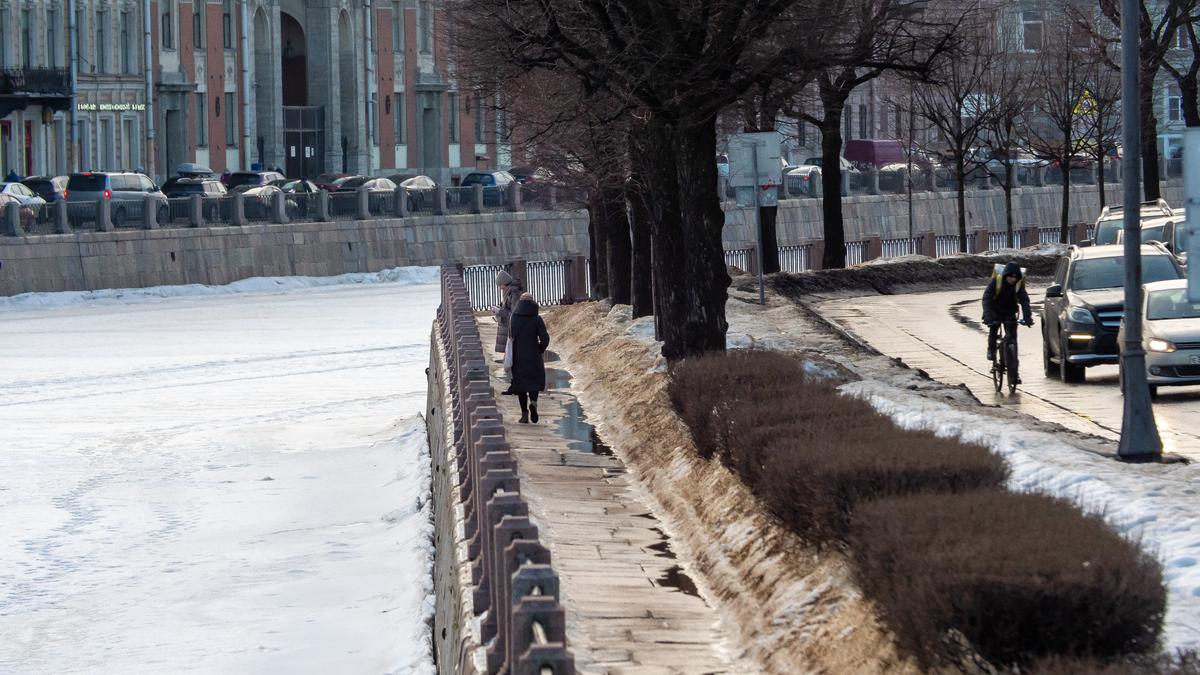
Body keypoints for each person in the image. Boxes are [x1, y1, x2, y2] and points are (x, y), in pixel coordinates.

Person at [982, 261, 1033, 381]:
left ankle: (1014, 373)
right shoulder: (996, 283)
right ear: (1006, 275)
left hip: (1010, 312)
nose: (1013, 279)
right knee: (993, 330)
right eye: (1011, 276)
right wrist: (988, 317)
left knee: (1012, 341)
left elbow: (1025, 301)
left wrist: (1027, 317)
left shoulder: (1018, 286)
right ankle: (992, 350)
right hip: (995, 311)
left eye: (1016, 277)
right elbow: (987, 299)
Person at [508, 293, 550, 423]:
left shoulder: (513, 317)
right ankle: (533, 402)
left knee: (521, 385)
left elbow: (510, 336)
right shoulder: (537, 319)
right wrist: (539, 349)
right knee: (533, 383)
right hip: (534, 356)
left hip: (518, 356)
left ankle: (524, 414)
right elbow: (545, 339)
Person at [493, 270, 523, 355]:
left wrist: (500, 312)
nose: (500, 287)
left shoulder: (514, 293)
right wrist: (499, 310)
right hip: (507, 328)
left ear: (504, 283)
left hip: (511, 329)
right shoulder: (508, 292)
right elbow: (507, 309)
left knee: (511, 354)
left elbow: (514, 315)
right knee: (509, 353)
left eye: (500, 285)